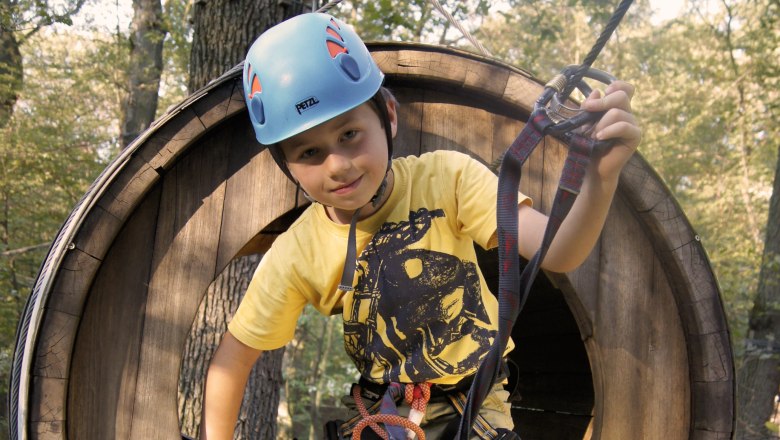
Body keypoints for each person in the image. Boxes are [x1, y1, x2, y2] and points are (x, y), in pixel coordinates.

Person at [200, 12, 641, 440]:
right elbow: (232, 361)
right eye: (309, 153)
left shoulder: (446, 180)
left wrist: (601, 177)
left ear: (388, 116)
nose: (337, 165)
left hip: (478, 406)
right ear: (287, 167)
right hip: (387, 413)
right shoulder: (298, 253)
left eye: (349, 134)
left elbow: (559, 251)